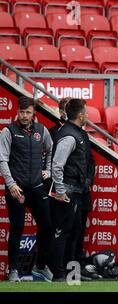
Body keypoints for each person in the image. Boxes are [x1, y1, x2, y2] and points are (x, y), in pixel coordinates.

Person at [0, 96, 53, 282]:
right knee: (17, 229)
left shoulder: (42, 130)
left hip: (38, 187)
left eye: (28, 112)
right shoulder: (8, 131)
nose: (24, 115)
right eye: (21, 112)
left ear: (34, 113)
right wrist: (11, 184)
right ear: (17, 112)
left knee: (47, 226)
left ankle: (40, 266)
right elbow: (2, 160)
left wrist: (48, 169)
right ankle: (13, 270)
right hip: (18, 189)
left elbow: (50, 149)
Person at [49, 98, 95, 270]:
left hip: (75, 191)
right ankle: (58, 273)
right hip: (66, 192)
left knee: (73, 232)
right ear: (81, 115)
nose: (88, 116)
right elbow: (57, 165)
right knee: (62, 233)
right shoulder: (69, 135)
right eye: (87, 113)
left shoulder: (75, 132)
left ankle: (70, 272)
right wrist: (60, 191)